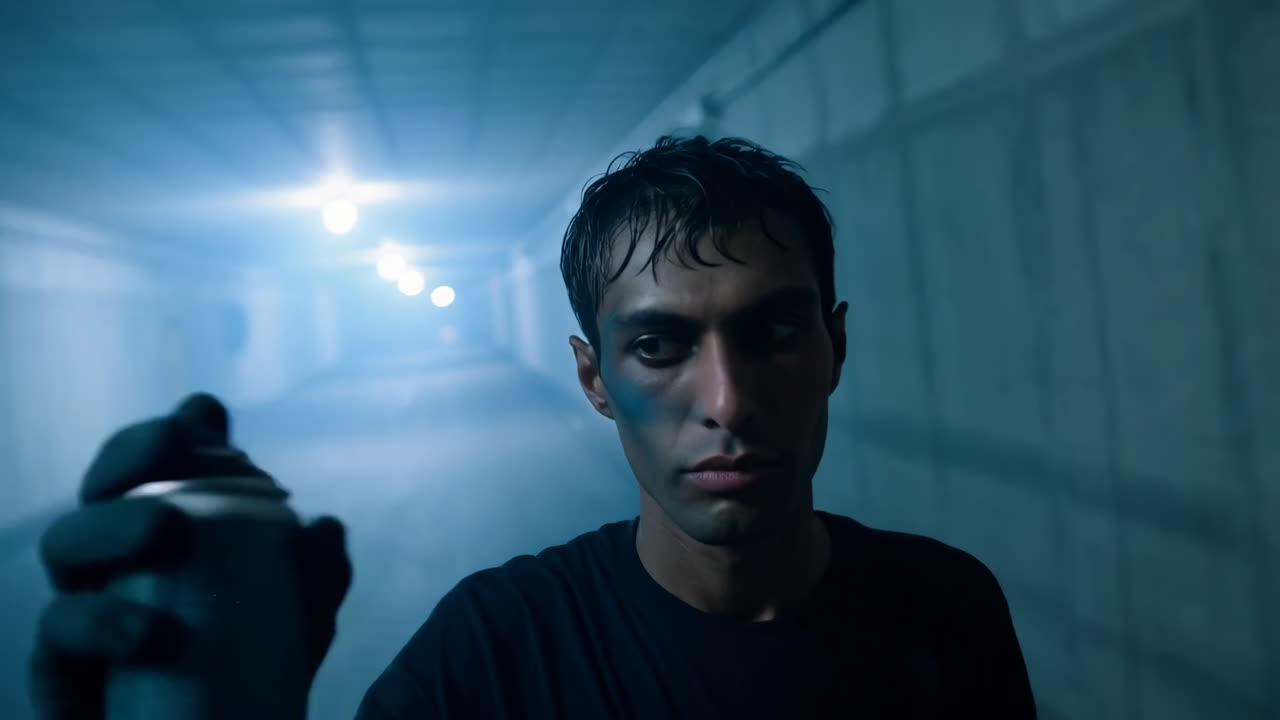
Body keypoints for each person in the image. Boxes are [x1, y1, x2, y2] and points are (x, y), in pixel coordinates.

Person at [30, 136, 1038, 719]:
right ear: (594, 379)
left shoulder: (944, 606)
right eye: (660, 347)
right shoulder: (488, 656)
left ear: (834, 349)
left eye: (771, 333)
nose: (726, 402)